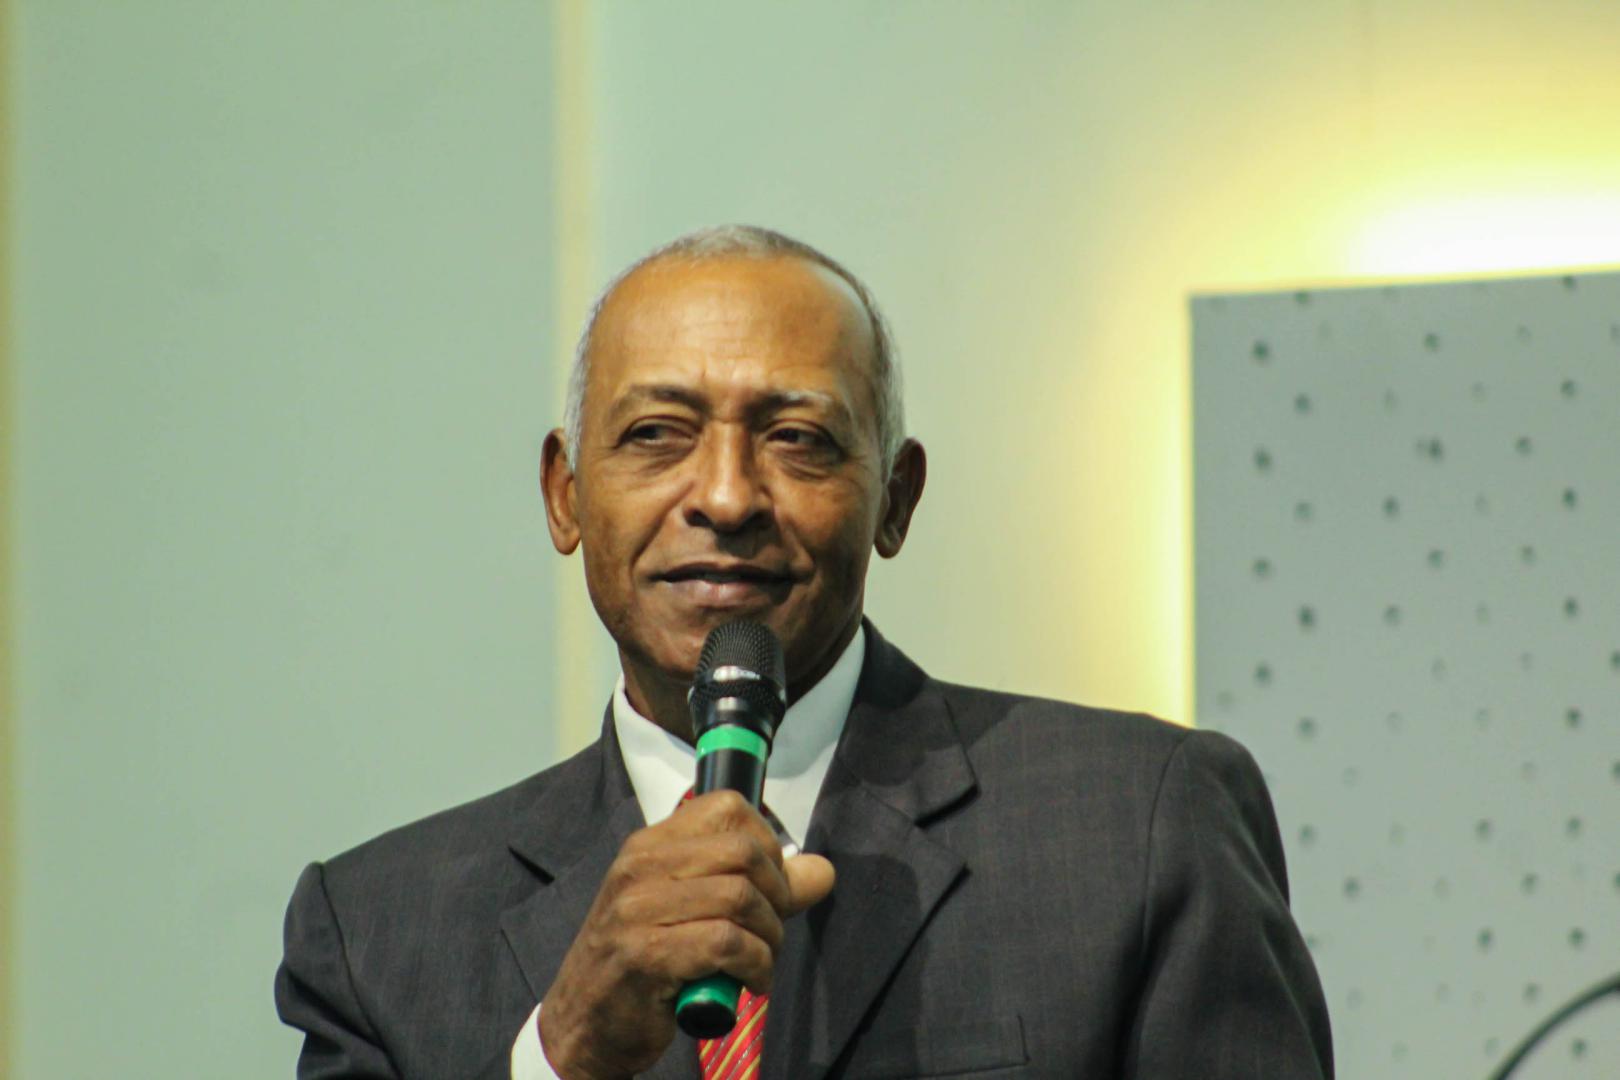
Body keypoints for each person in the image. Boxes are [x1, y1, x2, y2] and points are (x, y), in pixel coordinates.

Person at [275, 225, 1334, 1079]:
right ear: (565, 496)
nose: (726, 496)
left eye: (798, 439)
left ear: (896, 500)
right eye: (656, 435)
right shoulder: (377, 932)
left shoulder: (1138, 826)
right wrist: (561, 1059)